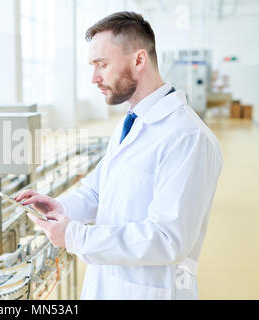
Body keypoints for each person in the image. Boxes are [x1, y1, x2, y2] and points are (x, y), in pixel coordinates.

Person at [15, 11, 223, 300]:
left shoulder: (188, 137)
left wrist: (75, 236)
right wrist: (60, 207)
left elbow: (168, 240)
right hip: (108, 285)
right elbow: (97, 192)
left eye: (102, 64)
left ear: (138, 60)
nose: (93, 77)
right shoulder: (132, 121)